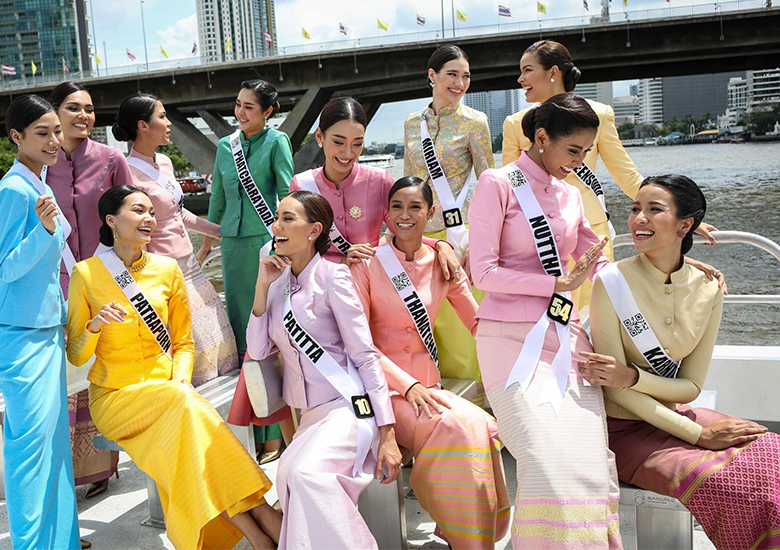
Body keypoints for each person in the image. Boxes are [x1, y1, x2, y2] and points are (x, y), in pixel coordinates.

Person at [66, 185, 280, 550]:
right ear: (111, 220)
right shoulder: (87, 274)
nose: (149, 218)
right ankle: (266, 518)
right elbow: (74, 353)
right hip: (116, 398)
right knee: (189, 413)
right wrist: (94, 326)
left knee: (191, 451)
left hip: (169, 394)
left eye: (152, 211)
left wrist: (180, 378)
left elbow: (183, 343)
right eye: (138, 210)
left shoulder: (167, 269)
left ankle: (258, 534)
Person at [585, 174, 780, 550]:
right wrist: (698, 436)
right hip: (621, 429)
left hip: (679, 411)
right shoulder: (610, 282)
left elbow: (691, 386)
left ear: (685, 224)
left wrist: (631, 377)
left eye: (654, 210)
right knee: (744, 493)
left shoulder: (709, 288)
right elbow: (613, 387)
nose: (638, 219)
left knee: (771, 456)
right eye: (635, 209)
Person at [469, 93, 621, 548]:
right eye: (572, 150)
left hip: (563, 338)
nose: (578, 162)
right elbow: (483, 272)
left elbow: (599, 261)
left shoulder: (572, 195)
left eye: (585, 153)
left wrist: (679, 260)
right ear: (540, 138)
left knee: (589, 463)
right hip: (507, 343)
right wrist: (554, 284)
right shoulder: (497, 183)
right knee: (544, 463)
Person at [350, 177, 511, 549]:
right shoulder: (367, 264)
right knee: (457, 429)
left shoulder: (441, 262)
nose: (405, 216)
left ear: (430, 212)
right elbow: (360, 345)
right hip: (385, 391)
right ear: (386, 213)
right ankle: (468, 540)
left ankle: (464, 531)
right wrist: (407, 386)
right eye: (397, 207)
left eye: (415, 207)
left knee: (484, 426)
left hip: (430, 388)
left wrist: (526, 352)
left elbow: (478, 323)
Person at [502, 39, 718, 316]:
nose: (520, 79)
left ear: (553, 72)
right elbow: (509, 188)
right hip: (536, 234)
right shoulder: (517, 123)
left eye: (527, 70)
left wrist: (682, 216)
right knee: (544, 318)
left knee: (596, 314)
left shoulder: (599, 115)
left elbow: (628, 177)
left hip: (589, 234)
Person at [246, 191, 402, 549]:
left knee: (307, 475)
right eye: (277, 218)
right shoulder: (277, 283)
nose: (277, 226)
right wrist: (260, 285)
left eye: (289, 219)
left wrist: (387, 434)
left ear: (314, 229)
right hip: (312, 416)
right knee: (286, 476)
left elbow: (365, 357)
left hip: (349, 407)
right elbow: (256, 350)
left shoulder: (335, 278)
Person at [0, 94, 80, 549]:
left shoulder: (38, 183)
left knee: (53, 445)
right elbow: (7, 267)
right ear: (16, 137)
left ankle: (58, 541)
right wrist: (43, 230)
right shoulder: (14, 190)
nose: (55, 140)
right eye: (43, 133)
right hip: (18, 333)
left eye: (56, 131)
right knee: (30, 448)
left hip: (42, 328)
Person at [112, 92, 238, 385]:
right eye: (162, 116)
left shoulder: (166, 163)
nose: (169, 123)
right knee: (189, 343)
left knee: (219, 334)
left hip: (191, 265)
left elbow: (179, 215)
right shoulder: (127, 172)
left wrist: (221, 231)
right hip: (162, 271)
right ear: (143, 126)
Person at [197, 79, 294, 456]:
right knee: (243, 331)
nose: (240, 113)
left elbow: (285, 192)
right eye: (237, 105)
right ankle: (254, 426)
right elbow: (218, 198)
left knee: (269, 330)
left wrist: (287, 244)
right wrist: (206, 243)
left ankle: (276, 430)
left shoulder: (276, 142)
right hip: (234, 246)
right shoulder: (226, 146)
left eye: (249, 107)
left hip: (266, 242)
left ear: (268, 112)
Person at [46, 81, 131, 498]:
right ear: (54, 114)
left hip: (107, 279)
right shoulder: (40, 166)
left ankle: (103, 465)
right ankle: (70, 469)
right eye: (73, 108)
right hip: (58, 286)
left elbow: (134, 215)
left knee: (103, 368)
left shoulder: (111, 159)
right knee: (68, 375)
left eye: (90, 109)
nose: (83, 116)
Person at [403, 44, 493, 405]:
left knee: (459, 326)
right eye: (452, 74)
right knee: (424, 320)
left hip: (457, 237)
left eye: (466, 75)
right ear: (432, 76)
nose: (460, 82)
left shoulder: (475, 122)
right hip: (416, 236)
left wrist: (480, 242)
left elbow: (488, 182)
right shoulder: (412, 124)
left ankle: (476, 411)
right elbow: (408, 178)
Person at [291, 97, 459, 277]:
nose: (348, 153)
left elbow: (404, 228)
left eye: (357, 143)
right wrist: (341, 261)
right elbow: (294, 248)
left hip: (371, 283)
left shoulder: (379, 180)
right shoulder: (302, 185)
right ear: (319, 136)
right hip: (319, 287)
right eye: (338, 142)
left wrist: (440, 245)